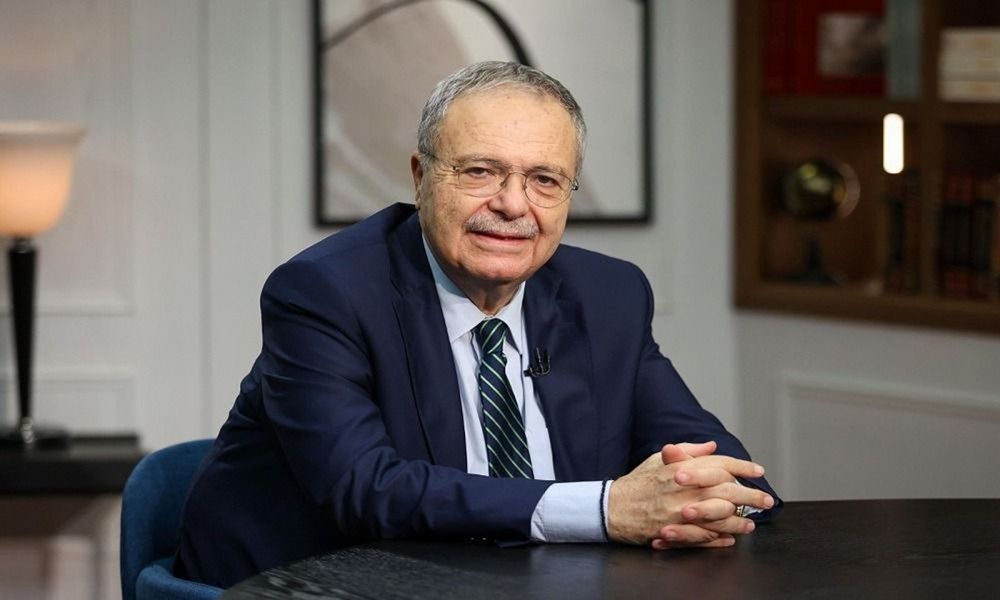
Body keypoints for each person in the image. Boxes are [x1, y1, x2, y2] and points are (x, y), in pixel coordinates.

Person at [174, 61, 780, 588]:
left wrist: (708, 498)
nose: (513, 205)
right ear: (420, 177)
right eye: (480, 172)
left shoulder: (608, 295)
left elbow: (715, 458)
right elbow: (365, 489)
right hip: (304, 584)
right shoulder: (325, 293)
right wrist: (606, 508)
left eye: (544, 180)